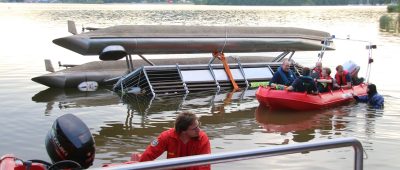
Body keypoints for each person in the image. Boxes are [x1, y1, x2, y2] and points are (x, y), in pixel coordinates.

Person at [139, 111, 211, 170]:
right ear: (183, 131)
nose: (199, 130)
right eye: (194, 128)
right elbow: (148, 155)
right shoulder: (166, 137)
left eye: (198, 126)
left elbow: (205, 166)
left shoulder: (202, 138)